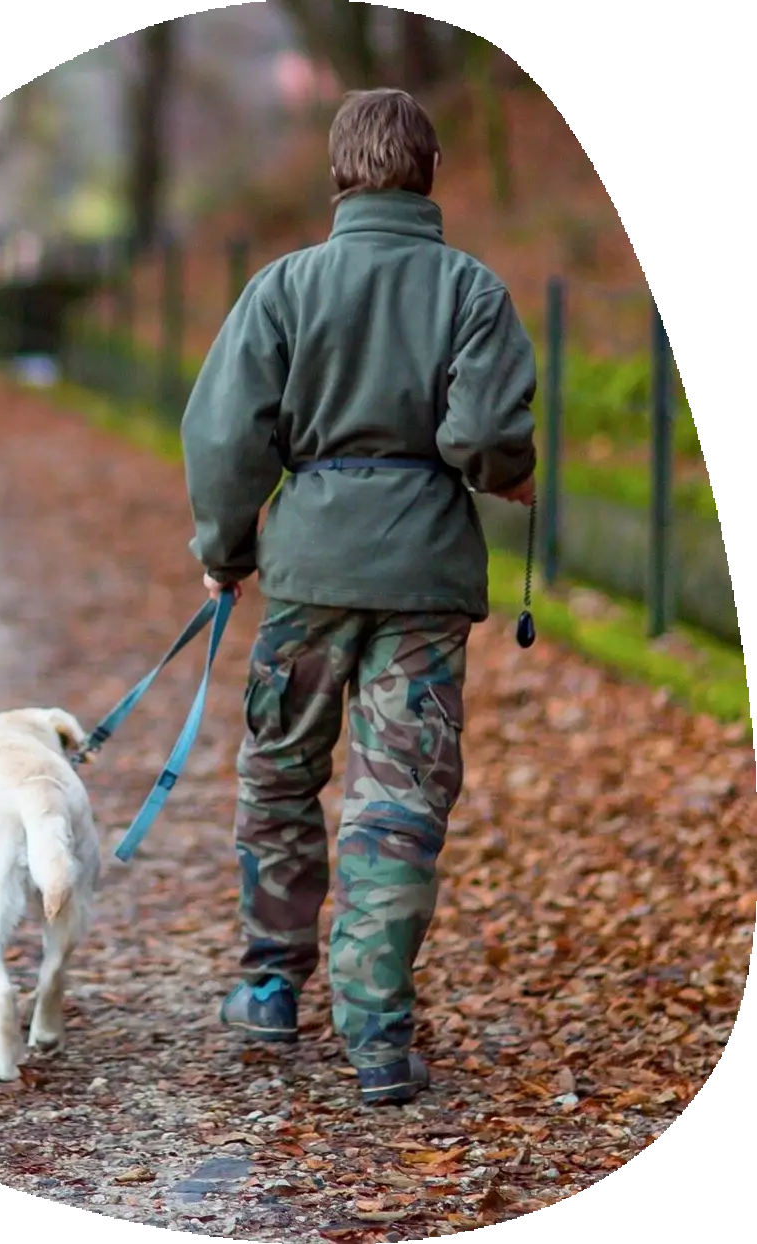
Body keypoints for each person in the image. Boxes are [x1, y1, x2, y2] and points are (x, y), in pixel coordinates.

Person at [180, 88, 538, 1107]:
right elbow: (483, 436)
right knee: (398, 799)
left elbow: (223, 436)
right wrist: (507, 468)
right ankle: (376, 1033)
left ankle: (265, 986)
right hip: (423, 579)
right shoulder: (471, 291)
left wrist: (225, 550)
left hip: (305, 574)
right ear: (430, 173)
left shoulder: (283, 287)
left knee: (281, 772)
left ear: (337, 174)